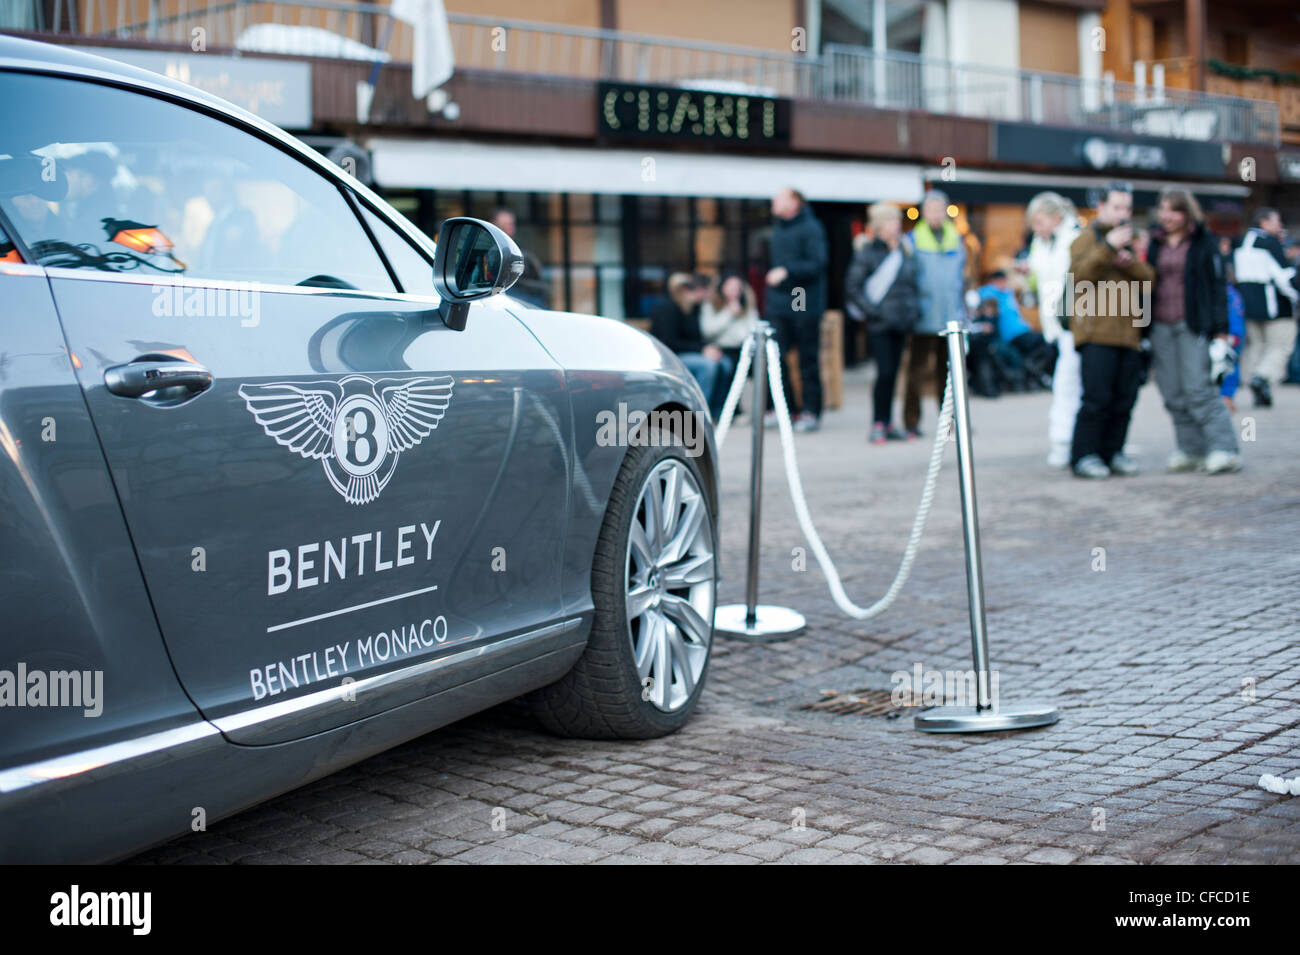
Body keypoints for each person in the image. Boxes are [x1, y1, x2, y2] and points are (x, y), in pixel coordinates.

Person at [1147, 188, 1241, 475]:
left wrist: (1221, 330)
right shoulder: (1154, 243)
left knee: (1199, 388)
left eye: (1174, 210)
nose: (1167, 216)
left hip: (1193, 325)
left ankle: (1225, 449)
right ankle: (1191, 449)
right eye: (1163, 209)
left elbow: (1216, 287)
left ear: (1187, 213)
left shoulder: (1204, 242)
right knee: (1172, 392)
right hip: (1160, 325)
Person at [1067, 182, 1155, 479]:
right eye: (1117, 207)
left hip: (1129, 335)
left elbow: (1149, 279)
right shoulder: (1085, 240)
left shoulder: (1131, 242)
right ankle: (1084, 456)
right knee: (1096, 399)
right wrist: (1108, 249)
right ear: (1101, 207)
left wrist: (1129, 261)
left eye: (1127, 208)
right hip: (1095, 334)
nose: (1122, 213)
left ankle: (1112, 452)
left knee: (1124, 400)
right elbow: (1078, 278)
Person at [846, 202, 921, 444]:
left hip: (902, 322)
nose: (896, 225)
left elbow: (911, 285)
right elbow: (853, 288)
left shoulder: (905, 251)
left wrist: (913, 311)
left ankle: (889, 423)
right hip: (880, 324)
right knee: (885, 372)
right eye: (891, 221)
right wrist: (874, 313)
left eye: (896, 221)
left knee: (894, 374)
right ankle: (878, 422)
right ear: (879, 226)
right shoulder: (867, 253)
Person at [1024, 191, 1082, 467]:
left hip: (1075, 322)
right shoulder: (1040, 242)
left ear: (1056, 217)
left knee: (1066, 382)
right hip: (1055, 325)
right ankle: (1070, 440)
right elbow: (1040, 280)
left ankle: (1064, 441)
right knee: (1070, 381)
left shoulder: (1075, 238)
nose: (1036, 228)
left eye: (1040, 221)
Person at [765, 187, 828, 433]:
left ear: (794, 202)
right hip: (780, 302)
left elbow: (817, 263)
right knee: (776, 357)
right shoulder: (779, 228)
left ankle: (811, 410)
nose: (773, 202)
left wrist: (787, 271)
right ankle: (785, 408)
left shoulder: (811, 228)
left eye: (778, 198)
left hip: (802, 299)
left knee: (807, 358)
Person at [903, 189, 965, 439]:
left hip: (951, 316)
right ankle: (911, 423)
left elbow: (962, 278)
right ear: (923, 212)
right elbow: (907, 280)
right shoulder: (912, 240)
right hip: (923, 316)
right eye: (931, 209)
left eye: (940, 209)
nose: (936, 214)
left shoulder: (956, 239)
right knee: (916, 372)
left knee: (948, 374)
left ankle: (949, 424)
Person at [1233, 207, 1297, 407]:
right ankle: (1262, 378)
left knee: (1257, 348)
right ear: (1263, 222)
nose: (1280, 226)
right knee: (1280, 346)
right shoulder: (1269, 243)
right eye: (1276, 221)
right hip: (1275, 308)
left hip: (1249, 307)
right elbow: (1284, 278)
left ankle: (1259, 388)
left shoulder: (1241, 242)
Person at [649, 272, 732, 419]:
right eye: (710, 291)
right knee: (708, 366)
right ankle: (697, 411)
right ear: (700, 290)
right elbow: (669, 343)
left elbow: (696, 337)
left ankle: (717, 410)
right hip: (669, 356)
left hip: (687, 353)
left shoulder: (694, 309)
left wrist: (709, 348)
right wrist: (702, 349)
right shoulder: (668, 308)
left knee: (725, 363)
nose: (712, 295)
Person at [976, 270, 1054, 388]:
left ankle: (1033, 368)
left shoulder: (1008, 294)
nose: (1003, 283)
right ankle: (1032, 369)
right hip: (1010, 334)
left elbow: (1015, 315)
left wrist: (1027, 325)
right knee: (1044, 343)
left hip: (1021, 330)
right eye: (1000, 281)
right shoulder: (989, 294)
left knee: (1048, 343)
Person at [700, 273, 759, 389]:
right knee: (730, 365)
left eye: (737, 288)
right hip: (722, 349)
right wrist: (728, 314)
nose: (734, 291)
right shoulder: (710, 305)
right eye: (731, 287)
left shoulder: (747, 306)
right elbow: (708, 331)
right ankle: (733, 406)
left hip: (744, 349)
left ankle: (769, 405)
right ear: (722, 288)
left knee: (765, 363)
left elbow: (752, 331)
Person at [492, 207, 549, 309]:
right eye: (504, 225)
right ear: (494, 224)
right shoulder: (488, 251)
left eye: (510, 224)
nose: (508, 228)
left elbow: (535, 275)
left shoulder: (521, 250)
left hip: (523, 298)